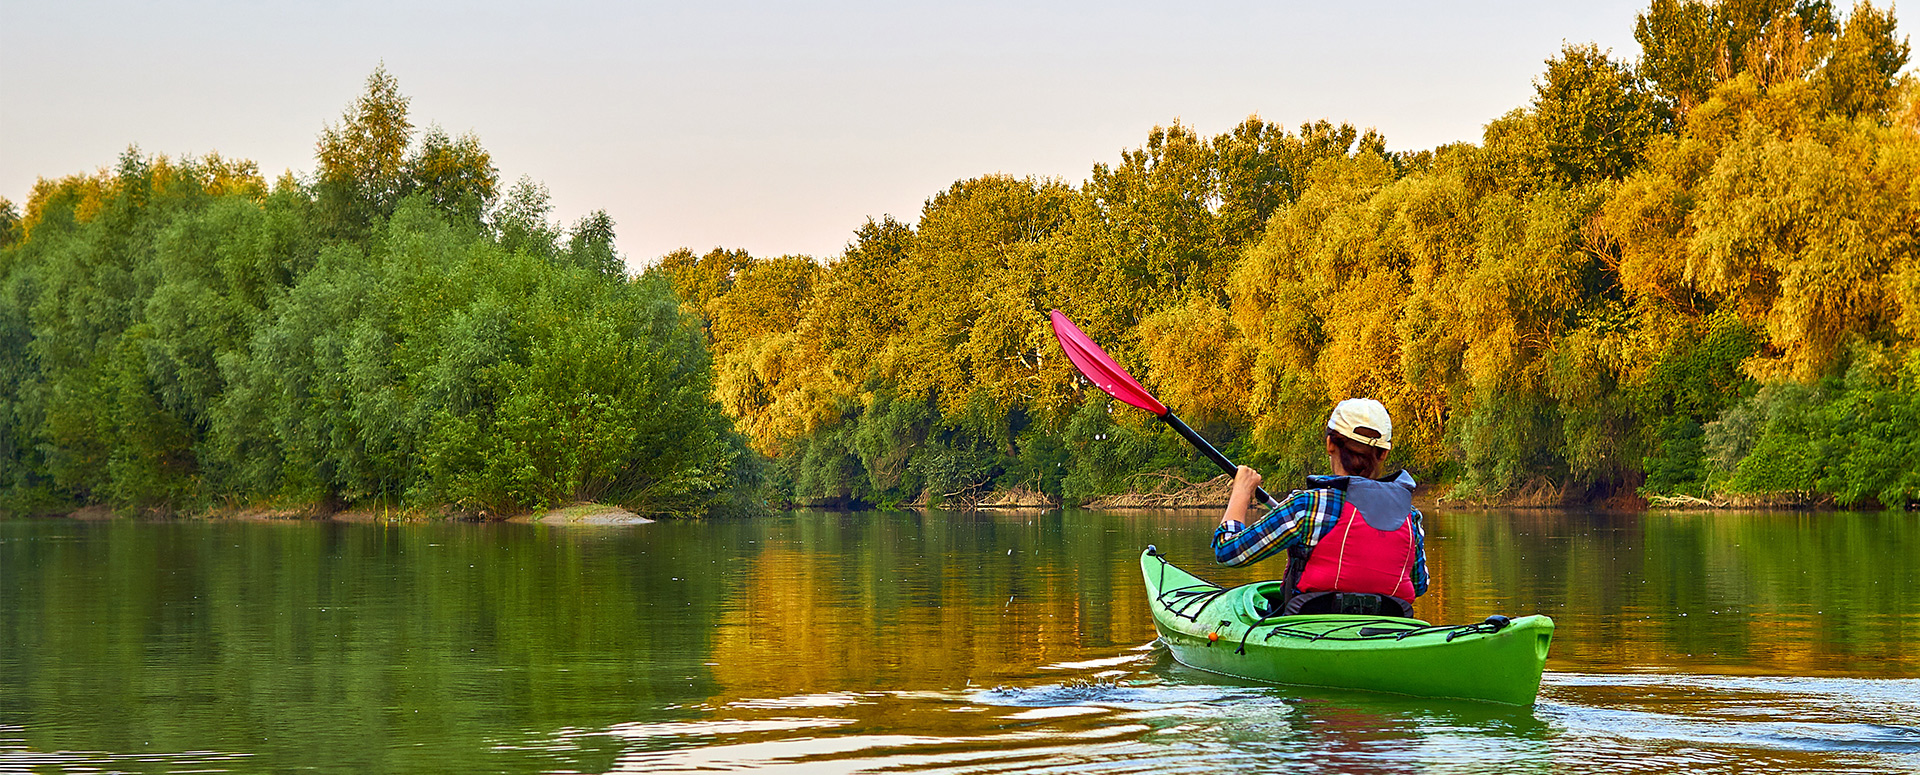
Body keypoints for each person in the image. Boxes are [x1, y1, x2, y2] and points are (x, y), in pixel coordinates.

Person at [1212, 398, 1427, 618]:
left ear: (1330, 444)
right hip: (1387, 630)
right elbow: (1420, 585)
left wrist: (1241, 492)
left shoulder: (1306, 506)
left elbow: (1229, 552)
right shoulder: (1410, 517)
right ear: (1383, 453)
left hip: (1306, 630)